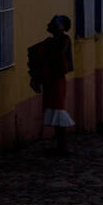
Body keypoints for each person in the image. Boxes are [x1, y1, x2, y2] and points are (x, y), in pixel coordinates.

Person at [36, 15, 75, 154]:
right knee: (54, 109)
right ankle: (60, 146)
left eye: (53, 23)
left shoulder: (64, 40)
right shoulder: (51, 41)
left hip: (57, 79)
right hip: (50, 79)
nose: (49, 24)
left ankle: (63, 146)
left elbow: (58, 54)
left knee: (59, 109)